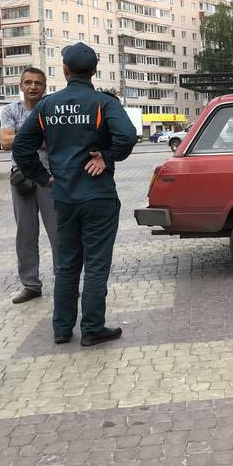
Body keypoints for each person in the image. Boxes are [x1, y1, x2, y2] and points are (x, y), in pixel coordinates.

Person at [13, 42, 137, 346]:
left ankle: (62, 328)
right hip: (98, 197)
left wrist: (44, 179)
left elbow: (21, 147)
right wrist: (106, 156)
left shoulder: (47, 106)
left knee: (67, 263)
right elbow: (128, 136)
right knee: (95, 263)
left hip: (64, 197)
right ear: (94, 71)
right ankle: (93, 328)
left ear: (65, 70)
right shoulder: (104, 104)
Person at [0, 68, 59, 304]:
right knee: (25, 234)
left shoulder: (51, 109)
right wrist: (37, 138)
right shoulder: (10, 110)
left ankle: (64, 280)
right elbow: (5, 142)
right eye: (28, 83)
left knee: (58, 233)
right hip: (22, 179)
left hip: (50, 179)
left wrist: (22, 137)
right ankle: (30, 285)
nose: (33, 87)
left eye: (38, 83)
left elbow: (55, 142)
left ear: (45, 87)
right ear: (20, 85)